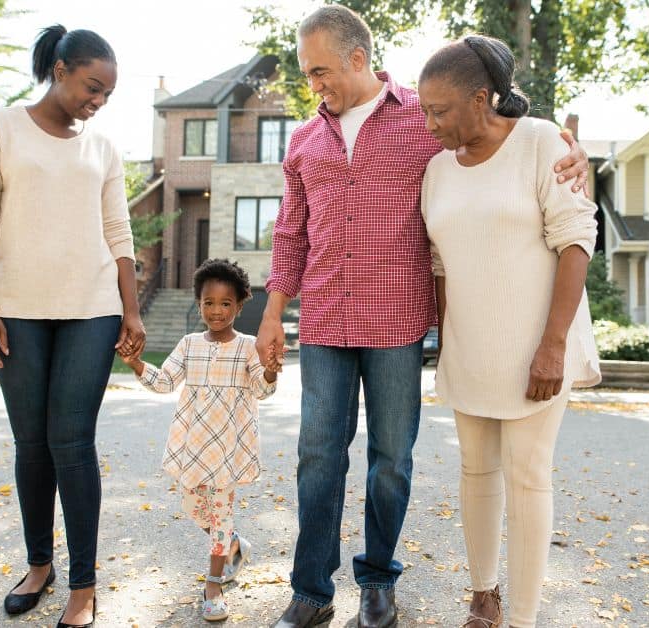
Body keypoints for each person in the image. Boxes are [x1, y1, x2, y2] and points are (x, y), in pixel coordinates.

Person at [253, 6, 590, 627]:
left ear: (358, 58)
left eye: (319, 70)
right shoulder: (304, 139)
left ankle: (378, 582)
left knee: (392, 461)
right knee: (318, 456)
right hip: (326, 318)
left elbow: (497, 127)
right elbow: (289, 232)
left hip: (397, 322)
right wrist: (273, 313)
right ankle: (310, 593)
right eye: (307, 74)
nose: (313, 84)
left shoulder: (423, 119)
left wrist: (574, 152)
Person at [0, 24, 144, 628]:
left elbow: (119, 232)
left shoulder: (103, 148)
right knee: (31, 445)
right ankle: (40, 565)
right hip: (16, 310)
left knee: (72, 443)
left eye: (107, 95)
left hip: (92, 309)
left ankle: (84, 586)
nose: (97, 101)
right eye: (92, 86)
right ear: (60, 70)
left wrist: (132, 309)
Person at [417, 35, 602, 627]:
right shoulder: (437, 170)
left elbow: (577, 241)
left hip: (537, 346)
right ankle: (483, 595)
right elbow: (442, 264)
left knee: (527, 474)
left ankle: (522, 617)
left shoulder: (542, 142)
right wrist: (447, 344)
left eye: (439, 110)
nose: (429, 123)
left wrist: (553, 346)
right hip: (471, 346)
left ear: (479, 98)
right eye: (423, 110)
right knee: (475, 469)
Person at [118, 259, 277, 622]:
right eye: (208, 302)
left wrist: (269, 369)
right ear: (198, 303)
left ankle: (214, 582)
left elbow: (261, 389)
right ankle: (233, 542)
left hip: (228, 448)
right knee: (195, 509)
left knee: (220, 513)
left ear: (239, 305)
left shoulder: (248, 346)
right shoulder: (189, 344)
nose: (216, 311)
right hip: (195, 446)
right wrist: (136, 364)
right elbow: (165, 382)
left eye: (225, 304)